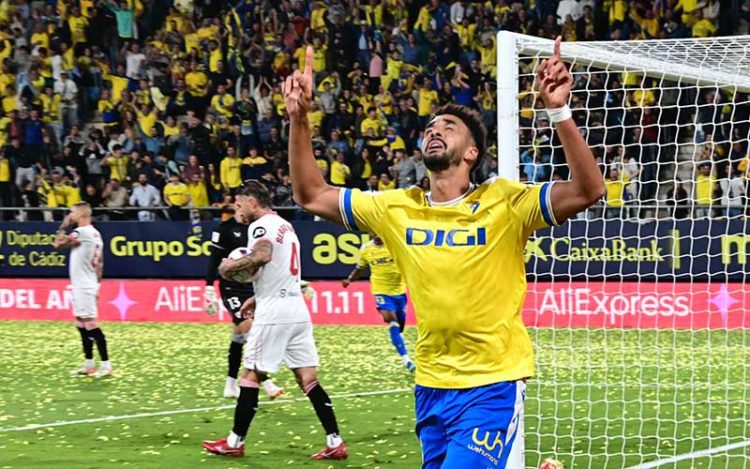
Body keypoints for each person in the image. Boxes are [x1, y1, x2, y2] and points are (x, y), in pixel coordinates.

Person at [284, 41, 603, 468]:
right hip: (431, 383)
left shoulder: (505, 203)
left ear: (471, 153)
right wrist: (299, 119)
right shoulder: (394, 208)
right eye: (431, 126)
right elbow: (311, 194)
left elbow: (589, 191)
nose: (435, 130)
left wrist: (559, 113)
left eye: (449, 126)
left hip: (493, 382)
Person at [202, 181, 347, 460]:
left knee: (251, 375)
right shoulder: (285, 225)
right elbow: (281, 266)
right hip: (295, 308)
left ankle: (234, 441)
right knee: (308, 378)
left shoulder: (260, 226)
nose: (237, 209)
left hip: (276, 313)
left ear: (252, 202)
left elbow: (263, 255)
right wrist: (258, 296)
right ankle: (335, 441)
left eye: (239, 204)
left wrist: (228, 267)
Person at [204, 209, 284, 400]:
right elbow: (214, 260)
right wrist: (208, 288)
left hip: (252, 287)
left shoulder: (257, 229)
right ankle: (267, 383)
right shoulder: (224, 229)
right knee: (252, 332)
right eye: (239, 204)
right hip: (231, 289)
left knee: (239, 338)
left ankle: (230, 384)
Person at [52, 202, 112, 378]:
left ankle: (106, 365)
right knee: (81, 323)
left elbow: (58, 244)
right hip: (87, 282)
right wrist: (98, 283)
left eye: (72, 212)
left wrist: (63, 226)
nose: (70, 215)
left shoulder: (82, 232)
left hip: (84, 284)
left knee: (91, 324)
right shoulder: (95, 233)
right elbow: (100, 261)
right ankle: (89, 364)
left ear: (81, 214)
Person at [343, 235, 415, 371]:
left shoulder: (394, 244)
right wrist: (349, 279)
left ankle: (399, 340)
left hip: (399, 291)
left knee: (400, 325)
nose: (376, 235)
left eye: (379, 232)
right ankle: (407, 360)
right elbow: (359, 268)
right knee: (391, 319)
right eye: (373, 233)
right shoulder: (366, 248)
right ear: (370, 233)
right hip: (380, 291)